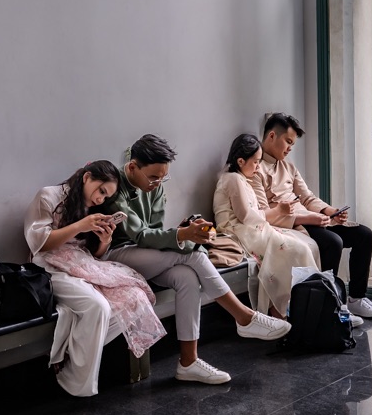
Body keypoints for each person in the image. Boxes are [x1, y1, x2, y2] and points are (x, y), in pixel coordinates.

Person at [99, 134, 291, 385]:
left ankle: (188, 362)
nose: (158, 183)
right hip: (116, 255)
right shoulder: (115, 186)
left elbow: (155, 230)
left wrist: (186, 230)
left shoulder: (155, 186)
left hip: (146, 255)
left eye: (163, 177)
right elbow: (141, 235)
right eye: (153, 177)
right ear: (133, 167)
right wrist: (183, 236)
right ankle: (244, 317)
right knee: (192, 254)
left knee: (187, 277)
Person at [24, 161, 165, 397]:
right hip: (48, 267)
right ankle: (77, 383)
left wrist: (104, 241)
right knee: (98, 306)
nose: (100, 199)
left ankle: (71, 355)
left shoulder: (90, 208)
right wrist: (80, 225)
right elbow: (39, 243)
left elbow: (94, 254)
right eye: (101, 191)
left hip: (82, 263)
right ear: (87, 177)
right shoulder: (48, 196)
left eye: (106, 196)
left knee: (135, 297)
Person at [252, 113, 372, 321]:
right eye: (288, 142)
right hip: (293, 225)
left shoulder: (288, 167)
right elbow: (264, 213)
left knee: (364, 234)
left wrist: (330, 211)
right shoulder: (255, 169)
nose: (290, 148)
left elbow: (307, 197)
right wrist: (308, 219)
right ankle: (331, 305)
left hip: (311, 218)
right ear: (271, 136)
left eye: (292, 144)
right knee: (333, 242)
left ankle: (356, 299)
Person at [213, 133, 321, 319]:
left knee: (303, 246)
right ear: (240, 161)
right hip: (237, 231)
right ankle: (293, 309)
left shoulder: (241, 179)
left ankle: (296, 307)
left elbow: (252, 215)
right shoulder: (233, 179)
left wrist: (278, 212)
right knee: (298, 250)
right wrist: (278, 210)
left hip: (249, 228)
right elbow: (246, 216)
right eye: (255, 162)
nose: (258, 167)